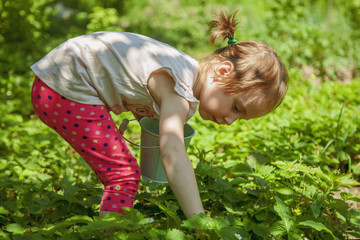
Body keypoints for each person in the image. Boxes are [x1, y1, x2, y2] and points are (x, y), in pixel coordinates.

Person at [30, 11, 288, 219]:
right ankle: (108, 233)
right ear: (221, 71)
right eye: (236, 108)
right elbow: (171, 152)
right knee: (123, 176)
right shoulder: (179, 91)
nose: (231, 121)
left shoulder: (183, 70)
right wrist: (199, 221)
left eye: (240, 119)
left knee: (122, 169)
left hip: (59, 78)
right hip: (64, 87)